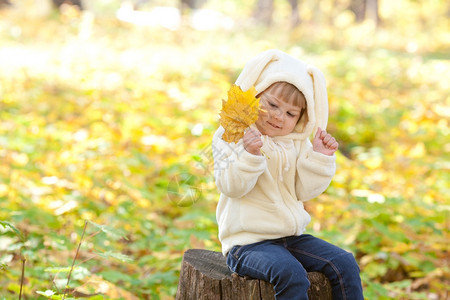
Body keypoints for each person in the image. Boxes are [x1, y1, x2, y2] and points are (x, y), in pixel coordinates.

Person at [212, 49, 364, 299]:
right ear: (256, 94)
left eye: (291, 114)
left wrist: (318, 157)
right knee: (289, 273)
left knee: (343, 263)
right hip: (247, 243)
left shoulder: (295, 143)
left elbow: (304, 190)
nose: (278, 116)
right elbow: (231, 186)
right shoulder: (234, 134)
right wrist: (251, 155)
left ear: (302, 119)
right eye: (272, 104)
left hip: (290, 237)